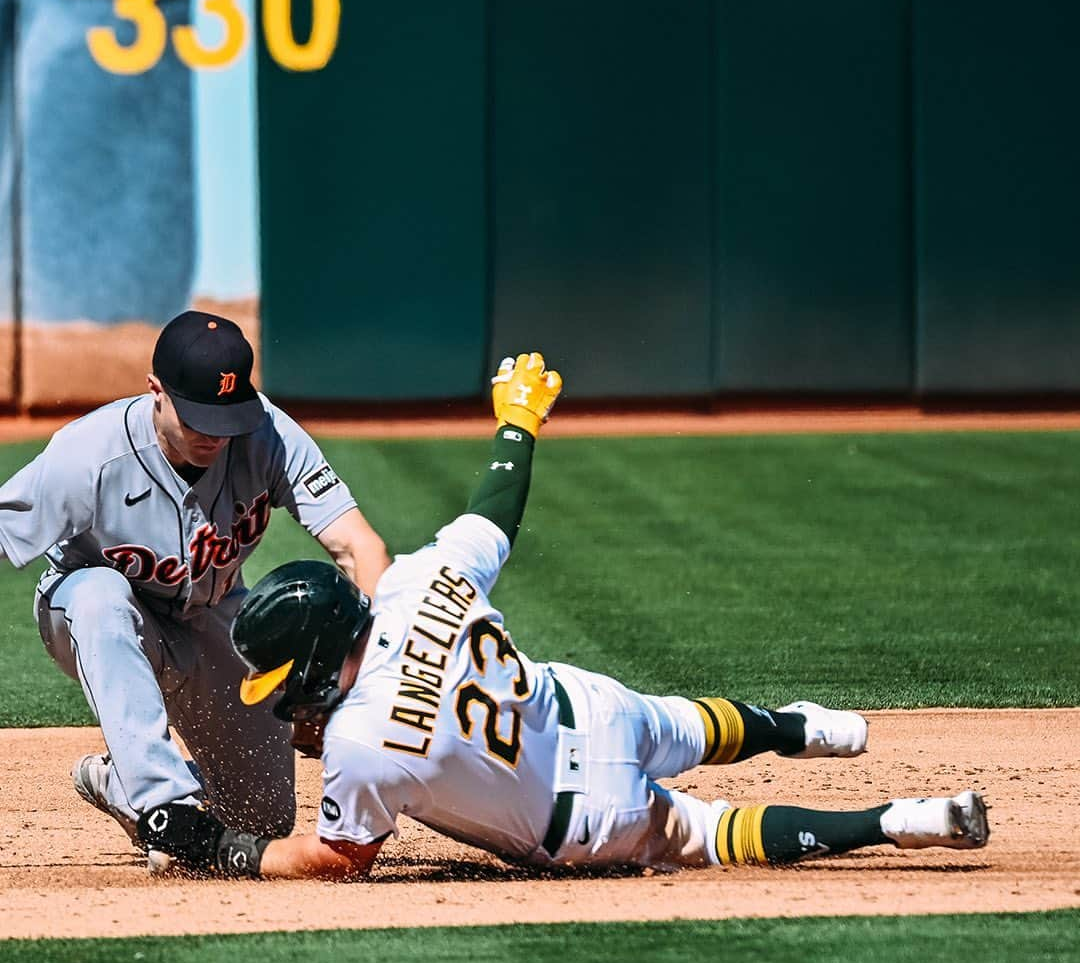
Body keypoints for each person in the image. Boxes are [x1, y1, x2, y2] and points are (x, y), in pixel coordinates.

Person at [133, 353, 989, 879]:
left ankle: (901, 822)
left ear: (318, 663)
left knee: (714, 832)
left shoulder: (360, 747)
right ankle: (806, 727)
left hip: (586, 820)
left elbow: (334, 862)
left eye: (290, 688)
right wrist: (517, 424)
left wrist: (215, 847)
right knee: (693, 722)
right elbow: (493, 518)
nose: (290, 710)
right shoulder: (415, 581)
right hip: (591, 705)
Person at [0, 309, 390, 840]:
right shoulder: (89, 455)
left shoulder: (268, 434)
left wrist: (382, 669)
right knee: (101, 595)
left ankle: (123, 785)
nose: (213, 435)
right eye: (196, 419)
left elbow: (359, 546)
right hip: (91, 620)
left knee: (262, 821)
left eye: (226, 420)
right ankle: (161, 805)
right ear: (155, 390)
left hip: (212, 617)